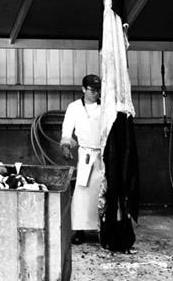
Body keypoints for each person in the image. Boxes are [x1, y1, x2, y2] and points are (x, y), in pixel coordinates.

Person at [60, 74, 102, 244]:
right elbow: (67, 127)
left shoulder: (105, 107)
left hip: (103, 154)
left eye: (98, 90)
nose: (96, 93)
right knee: (81, 193)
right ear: (84, 89)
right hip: (85, 154)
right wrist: (65, 144)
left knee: (102, 192)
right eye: (92, 90)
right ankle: (79, 231)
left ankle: (103, 229)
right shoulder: (75, 107)